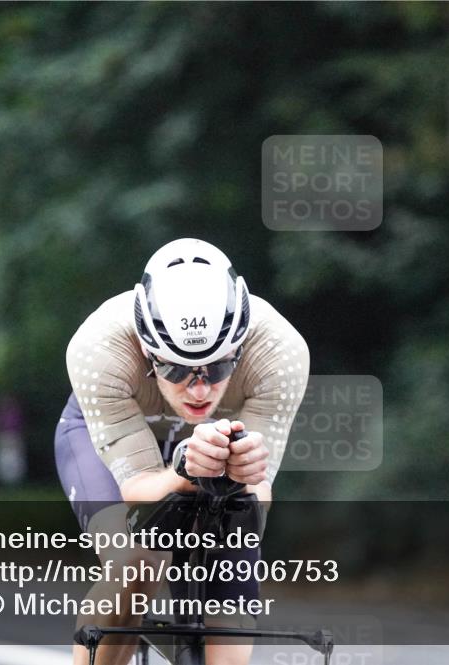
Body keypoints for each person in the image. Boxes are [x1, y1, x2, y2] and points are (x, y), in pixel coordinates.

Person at [54, 238, 309, 665]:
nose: (200, 389)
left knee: (232, 563)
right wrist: (183, 473)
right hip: (117, 443)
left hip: (212, 454)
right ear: (147, 351)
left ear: (241, 347)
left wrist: (244, 477)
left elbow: (258, 497)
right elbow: (137, 487)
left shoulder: (280, 352)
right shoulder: (97, 348)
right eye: (175, 368)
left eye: (220, 367)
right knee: (136, 564)